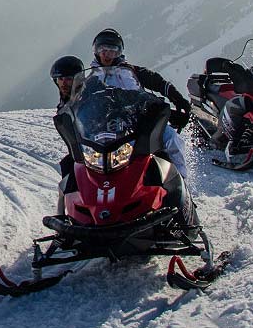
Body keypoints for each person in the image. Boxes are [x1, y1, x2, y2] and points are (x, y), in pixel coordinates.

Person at [88, 28, 191, 179]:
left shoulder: (132, 71)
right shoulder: (92, 79)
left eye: (112, 50)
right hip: (107, 126)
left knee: (172, 138)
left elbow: (157, 81)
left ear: (119, 52)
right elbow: (81, 101)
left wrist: (177, 99)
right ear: (96, 51)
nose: (107, 55)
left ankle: (181, 182)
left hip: (140, 120)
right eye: (103, 50)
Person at [50, 55, 84, 214]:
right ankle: (64, 217)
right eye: (60, 79)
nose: (64, 83)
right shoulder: (63, 104)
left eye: (69, 79)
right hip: (84, 150)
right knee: (67, 167)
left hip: (103, 143)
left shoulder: (91, 94)